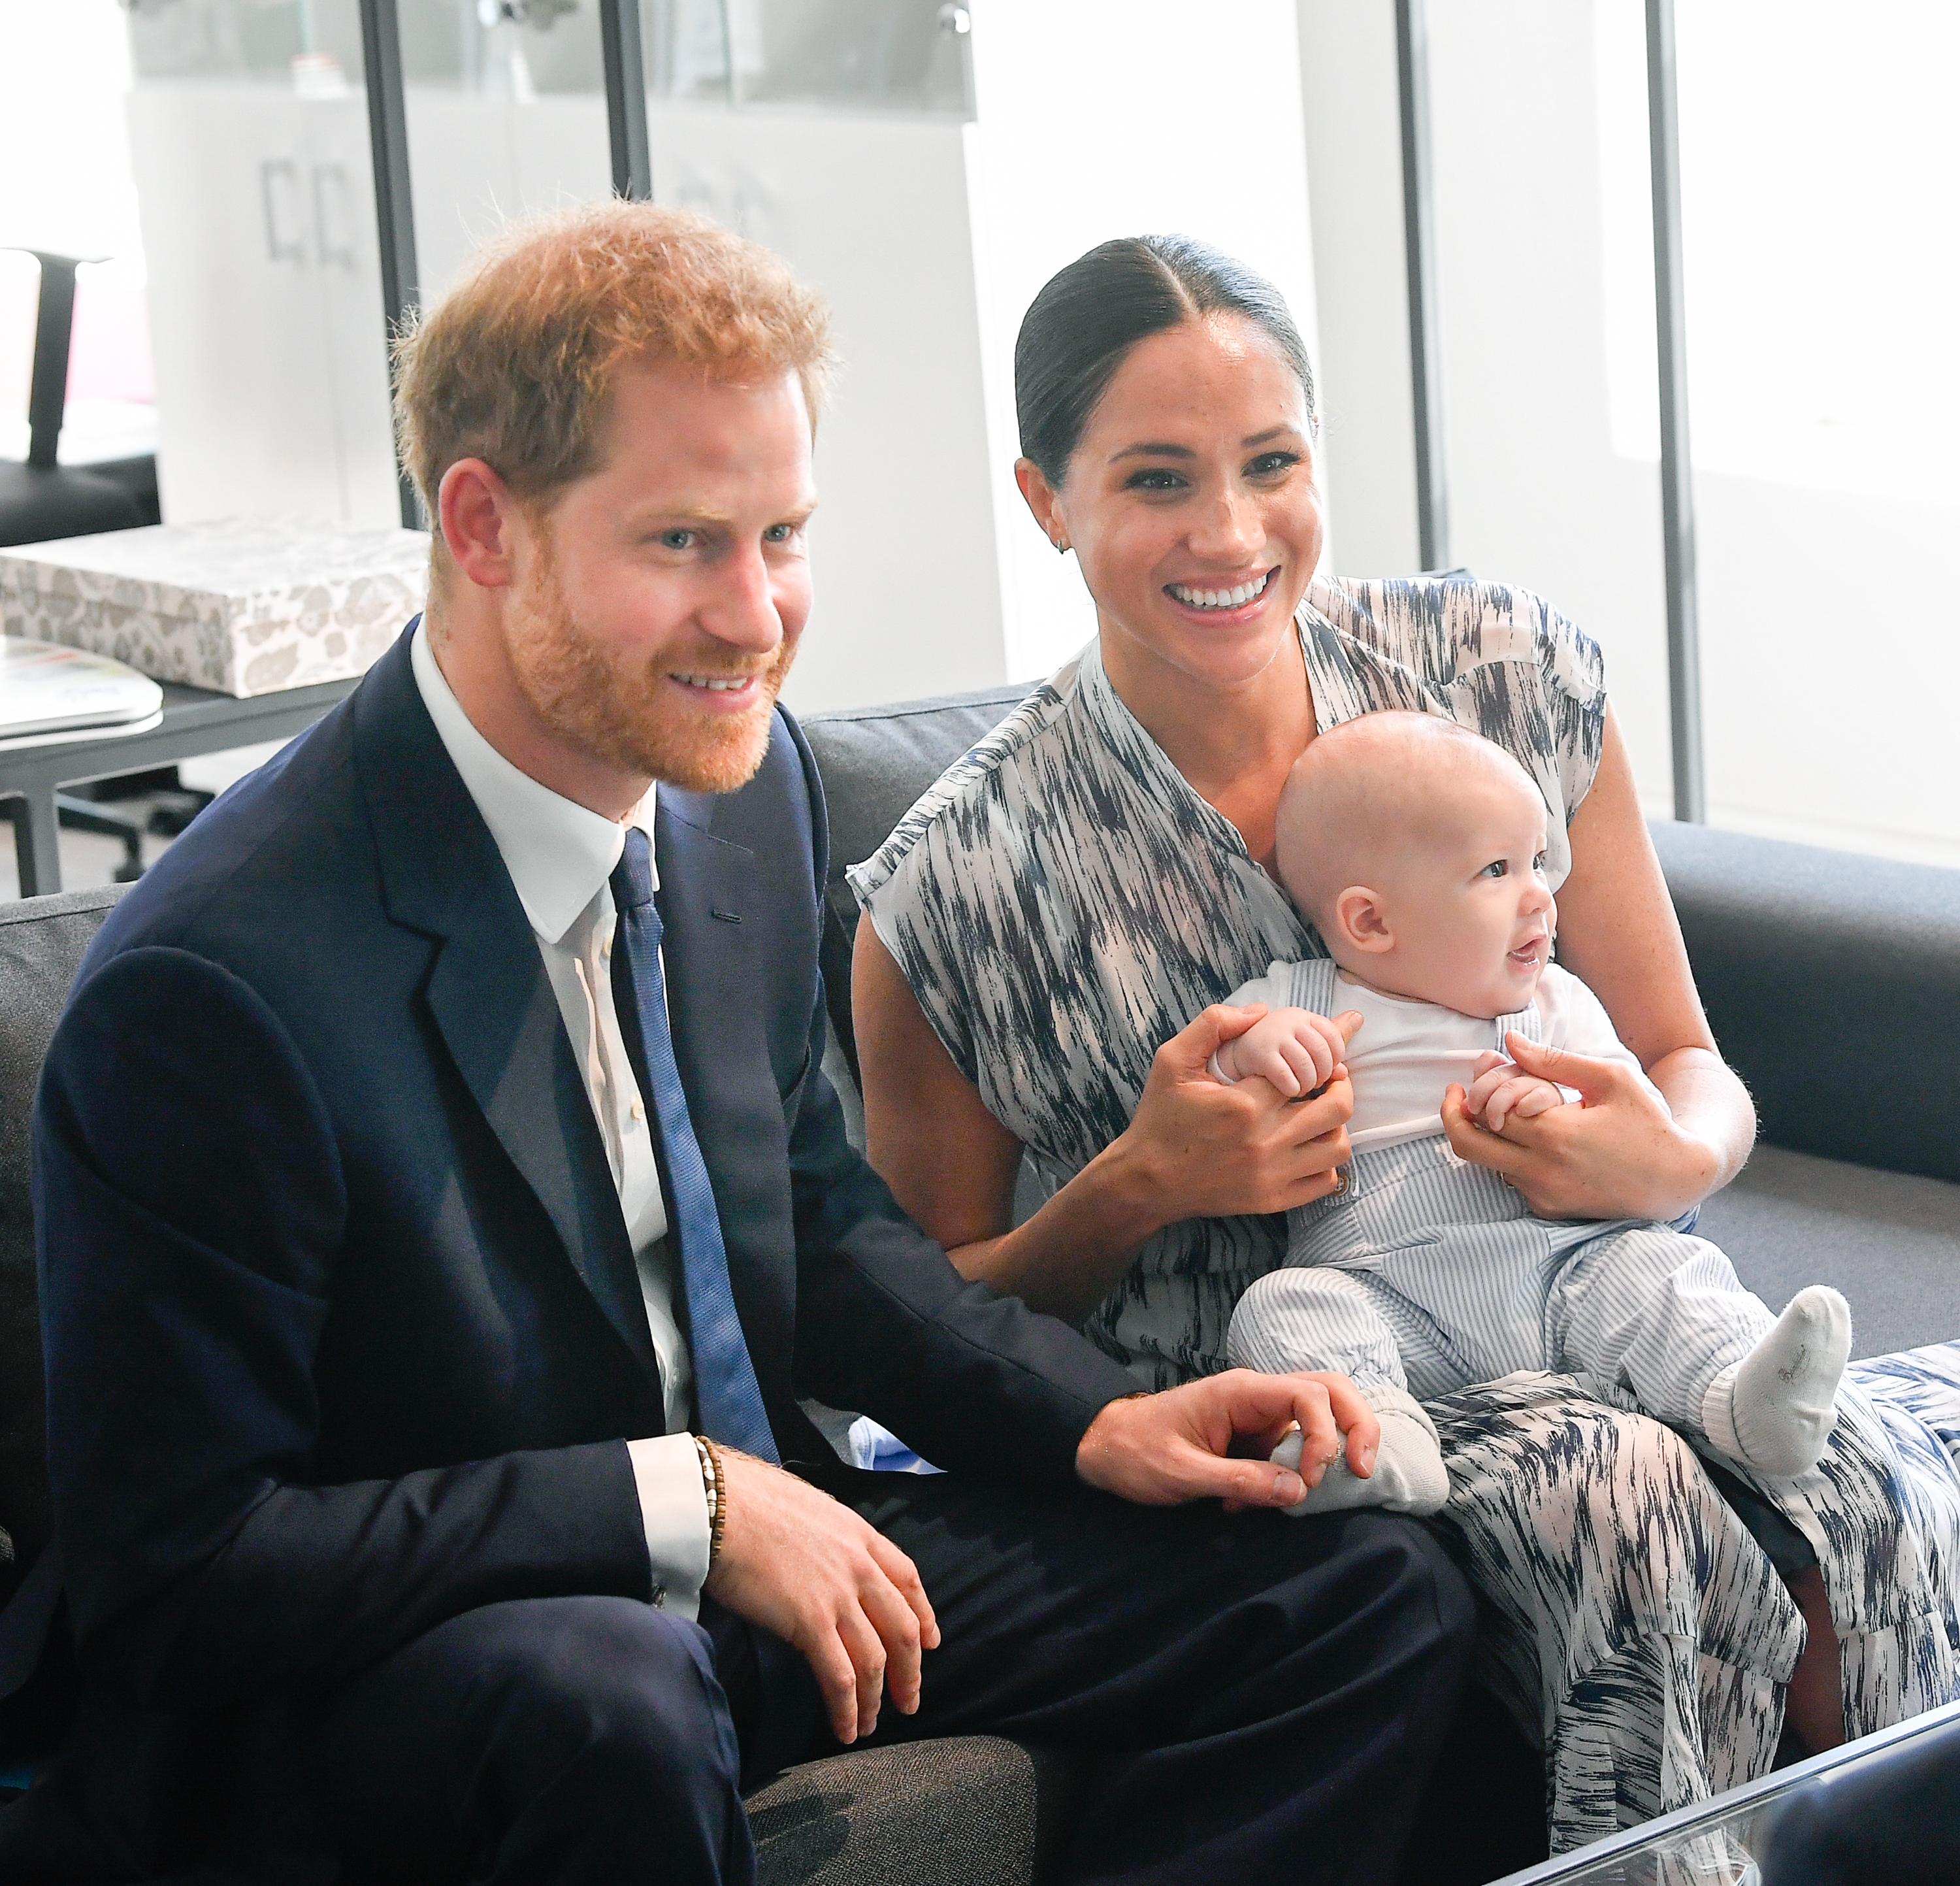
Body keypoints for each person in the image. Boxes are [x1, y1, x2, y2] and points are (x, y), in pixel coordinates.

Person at [0, 203, 1477, 1886]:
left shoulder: (740, 798)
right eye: (686, 541)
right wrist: (675, 1499)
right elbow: (182, 1573)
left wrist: (1089, 1422)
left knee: (1353, 1593)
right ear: (484, 526)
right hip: (432, 1667)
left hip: (755, 1552)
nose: (758, 614)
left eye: (783, 533)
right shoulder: (216, 984)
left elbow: (820, 1215)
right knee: (610, 1695)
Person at [849, 233, 1960, 1851]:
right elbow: (917, 1330)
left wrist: (1672, 1149)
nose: (1228, 533)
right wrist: (1134, 1187)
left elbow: (1686, 1060)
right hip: (1325, 1404)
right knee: (1623, 1499)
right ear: (1043, 500)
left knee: (1856, 1473)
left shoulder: (1495, 674)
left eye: (1270, 464)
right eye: (1155, 479)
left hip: (1599, 1290)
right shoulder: (955, 886)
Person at [1209, 710, 1854, 1512]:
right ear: (1370, 921)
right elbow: (1205, 1069)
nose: (1541, 897)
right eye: (1497, 871)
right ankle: (1381, 1441)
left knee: (1663, 1274)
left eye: (1540, 861)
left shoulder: (1554, 1004)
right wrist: (1258, 1051)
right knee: (1283, 1307)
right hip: (1391, 1296)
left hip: (1568, 1274)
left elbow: (1635, 1120)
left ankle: (1742, 1399)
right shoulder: (1299, 1000)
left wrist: (1557, 1106)